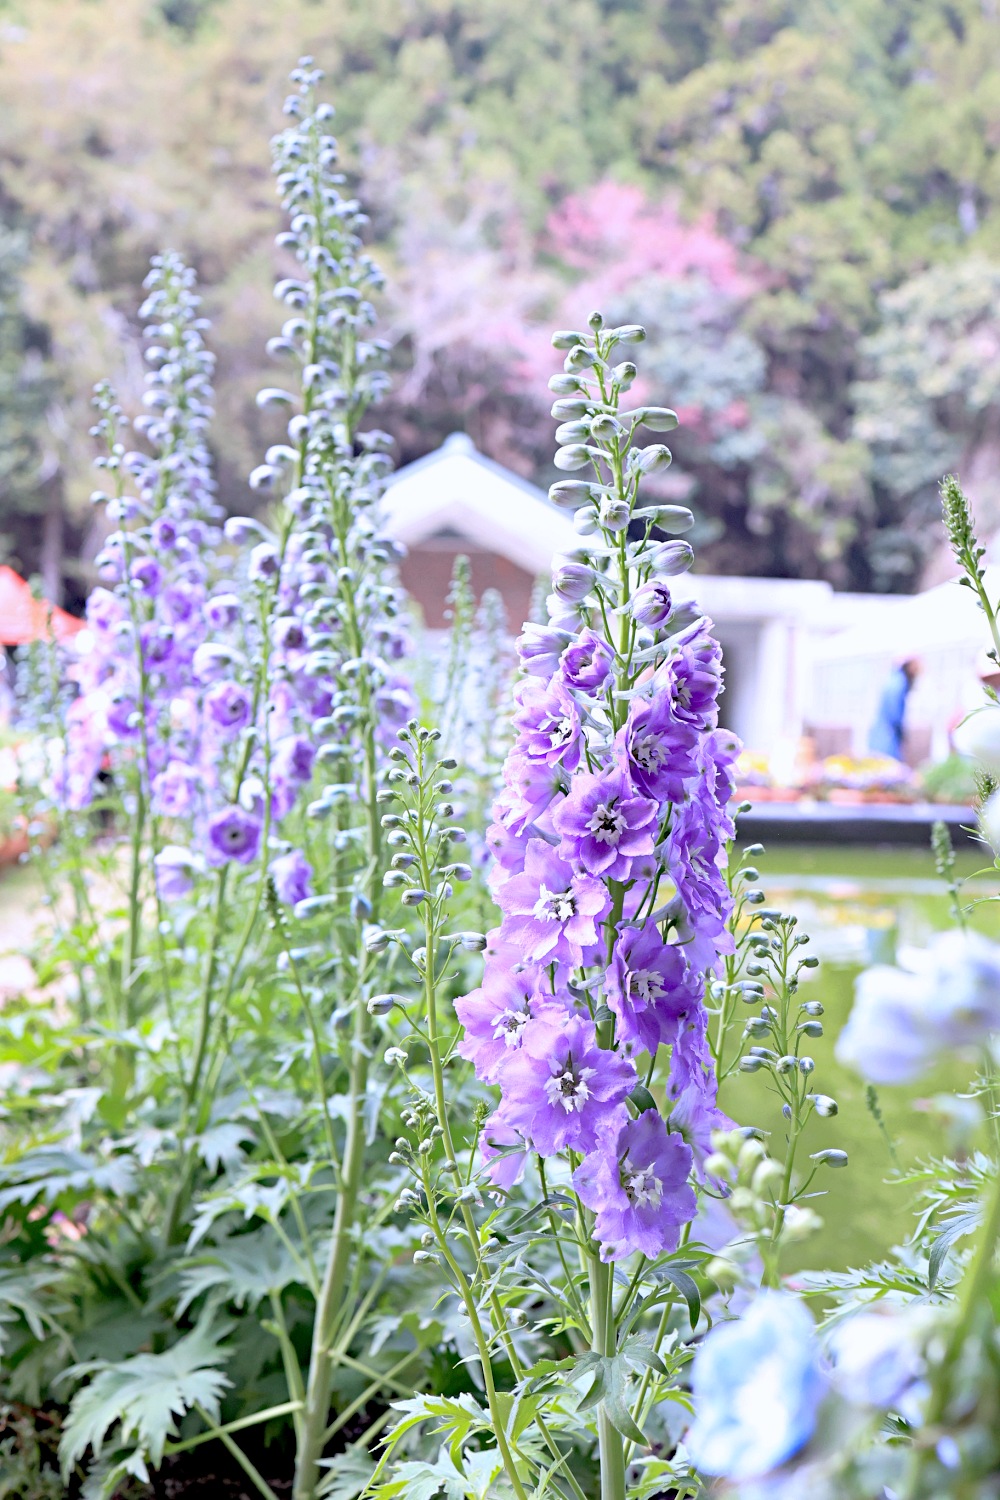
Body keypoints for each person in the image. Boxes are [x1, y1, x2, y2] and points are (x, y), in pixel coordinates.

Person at [868, 658, 921, 762]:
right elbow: (895, 715)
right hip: (888, 740)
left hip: (878, 738)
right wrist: (903, 736)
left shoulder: (892, 680)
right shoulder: (899, 683)